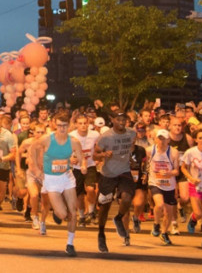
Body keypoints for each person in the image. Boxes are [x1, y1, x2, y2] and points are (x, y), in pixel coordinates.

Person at [34, 110, 85, 257]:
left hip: (67, 177)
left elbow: (81, 157)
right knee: (63, 214)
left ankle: (70, 244)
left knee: (73, 212)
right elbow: (33, 150)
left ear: (69, 126)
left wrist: (82, 165)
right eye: (59, 125)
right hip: (51, 179)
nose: (62, 128)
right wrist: (37, 169)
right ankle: (58, 212)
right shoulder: (46, 139)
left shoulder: (74, 141)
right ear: (54, 125)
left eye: (65, 125)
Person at [93, 111, 137, 254]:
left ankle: (118, 218)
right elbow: (95, 155)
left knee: (127, 198)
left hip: (124, 171)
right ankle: (101, 234)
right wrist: (103, 154)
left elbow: (131, 147)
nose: (122, 122)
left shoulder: (131, 133)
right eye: (118, 119)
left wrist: (130, 158)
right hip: (108, 174)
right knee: (105, 207)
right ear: (112, 120)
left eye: (124, 119)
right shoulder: (105, 137)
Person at [147, 129, 181, 246]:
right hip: (155, 182)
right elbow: (143, 163)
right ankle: (156, 224)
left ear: (168, 140)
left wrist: (169, 173)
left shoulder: (174, 152)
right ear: (156, 139)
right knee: (160, 204)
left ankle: (164, 232)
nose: (161, 141)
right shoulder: (150, 150)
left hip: (169, 184)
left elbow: (177, 171)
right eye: (159, 138)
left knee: (169, 212)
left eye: (164, 139)